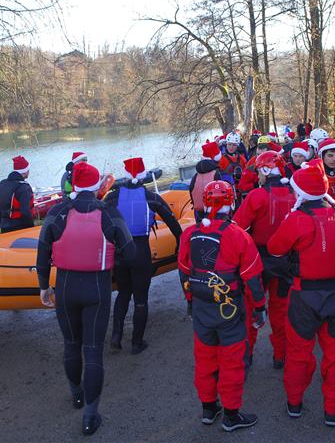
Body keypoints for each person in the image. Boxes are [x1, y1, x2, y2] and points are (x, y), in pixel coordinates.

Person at [37, 162, 136, 436]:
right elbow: (130, 252)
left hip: (66, 287)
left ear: (74, 185)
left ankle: (77, 395)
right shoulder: (109, 213)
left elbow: (43, 249)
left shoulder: (57, 212)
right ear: (96, 186)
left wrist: (44, 286)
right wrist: (115, 268)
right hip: (97, 289)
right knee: (93, 350)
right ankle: (90, 418)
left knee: (71, 344)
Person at [267, 163, 335, 427]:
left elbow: (274, 248)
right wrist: (334, 203)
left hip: (304, 297)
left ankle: (294, 403)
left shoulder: (296, 220)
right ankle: (332, 409)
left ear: (299, 192)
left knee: (298, 353)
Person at [177, 180, 266, 432]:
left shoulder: (189, 234)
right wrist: (259, 307)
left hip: (202, 310)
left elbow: (184, 274)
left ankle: (208, 408)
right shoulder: (239, 236)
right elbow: (252, 279)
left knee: (204, 359)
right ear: (232, 202)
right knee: (232, 362)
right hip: (230, 310)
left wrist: (190, 302)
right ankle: (231, 414)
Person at [105, 157, 182, 354]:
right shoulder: (151, 198)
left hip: (120, 255)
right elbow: (172, 222)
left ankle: (116, 335)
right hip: (141, 253)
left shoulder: (112, 198)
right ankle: (136, 343)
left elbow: (101, 223)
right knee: (140, 299)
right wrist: (182, 243)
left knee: (123, 294)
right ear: (143, 177)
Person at [233, 151, 296, 369]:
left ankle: (247, 355)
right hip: (285, 263)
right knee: (281, 311)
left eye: (259, 170)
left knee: (251, 309)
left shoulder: (256, 196)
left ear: (266, 171)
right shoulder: (294, 194)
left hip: (258, 263)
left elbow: (237, 228)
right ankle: (280, 355)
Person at [0, 155, 34, 233]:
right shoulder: (24, 187)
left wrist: (1, 223)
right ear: (25, 171)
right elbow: (25, 211)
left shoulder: (2, 183)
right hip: (19, 226)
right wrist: (31, 227)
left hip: (4, 226)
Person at [190, 142, 223, 221]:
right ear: (216, 158)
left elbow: (191, 189)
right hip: (213, 211)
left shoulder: (196, 175)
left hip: (198, 211)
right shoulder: (216, 173)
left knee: (200, 229)